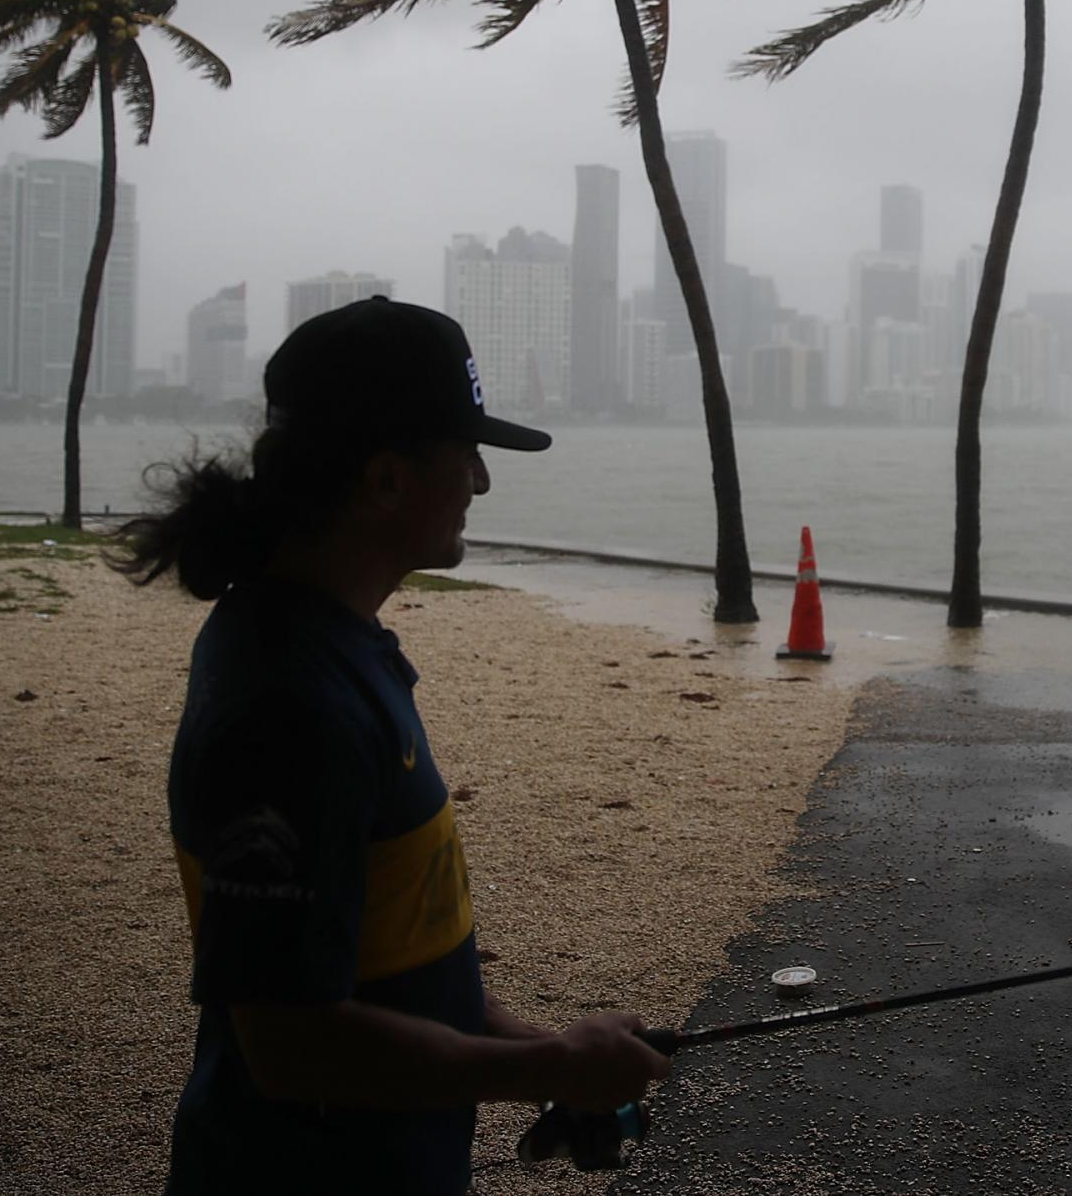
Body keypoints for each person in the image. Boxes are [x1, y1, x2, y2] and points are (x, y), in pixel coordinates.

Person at [111, 296, 667, 1194]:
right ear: (387, 480)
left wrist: (544, 1047)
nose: (482, 482)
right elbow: (291, 1042)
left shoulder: (324, 642)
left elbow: (387, 964)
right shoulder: (288, 705)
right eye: (467, 454)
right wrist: (545, 1070)